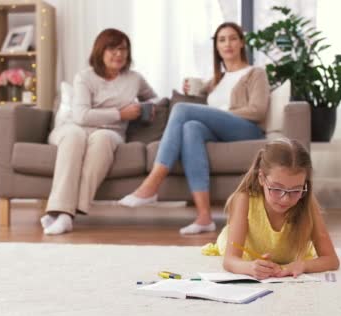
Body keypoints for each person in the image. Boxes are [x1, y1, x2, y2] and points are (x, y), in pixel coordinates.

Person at [119, 22, 270, 235]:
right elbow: (203, 104)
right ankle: (204, 217)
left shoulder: (255, 74)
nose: (228, 44)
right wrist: (191, 90)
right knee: (191, 128)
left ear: (242, 42)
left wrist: (221, 114)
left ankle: (152, 184)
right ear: (216, 47)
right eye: (222, 40)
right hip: (220, 131)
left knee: (182, 109)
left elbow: (258, 110)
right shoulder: (216, 81)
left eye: (233, 38)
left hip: (246, 129)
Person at [40, 28, 158, 235]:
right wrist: (120, 114)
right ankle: (59, 209)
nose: (119, 54)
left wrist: (147, 109)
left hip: (110, 132)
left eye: (123, 49)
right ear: (100, 51)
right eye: (112, 48)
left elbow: (155, 99)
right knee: (75, 137)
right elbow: (81, 116)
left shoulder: (134, 79)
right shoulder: (84, 77)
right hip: (74, 128)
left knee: (103, 138)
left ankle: (66, 215)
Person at [202, 138, 340, 279]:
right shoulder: (244, 199)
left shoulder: (307, 202)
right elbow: (230, 260)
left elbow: (331, 260)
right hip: (245, 252)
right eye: (276, 188)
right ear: (261, 178)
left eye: (296, 190)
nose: (285, 198)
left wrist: (303, 265)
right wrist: (250, 267)